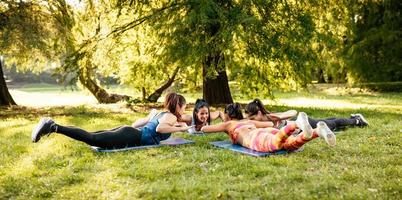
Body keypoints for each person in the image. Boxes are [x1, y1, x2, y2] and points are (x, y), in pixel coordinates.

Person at [31, 92, 193, 148]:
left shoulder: (160, 114)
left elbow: (135, 124)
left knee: (91, 135)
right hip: (132, 136)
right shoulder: (170, 116)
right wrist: (181, 129)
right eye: (184, 106)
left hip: (130, 131)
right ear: (178, 106)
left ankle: (53, 126)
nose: (184, 110)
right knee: (92, 138)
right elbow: (160, 129)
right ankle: (52, 126)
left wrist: (150, 118)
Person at [200, 103, 336, 153]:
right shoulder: (248, 121)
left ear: (228, 115)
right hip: (264, 131)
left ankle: (297, 124)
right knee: (287, 145)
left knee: (274, 145)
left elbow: (204, 129)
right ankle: (317, 131)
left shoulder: (229, 124)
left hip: (253, 137)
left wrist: (222, 122)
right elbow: (270, 125)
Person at [245, 98, 369, 130]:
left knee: (334, 123)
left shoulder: (270, 117)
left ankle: (358, 120)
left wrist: (281, 117)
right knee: (329, 119)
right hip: (303, 126)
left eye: (253, 116)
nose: (251, 120)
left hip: (306, 122)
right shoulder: (260, 123)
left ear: (259, 113)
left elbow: (293, 112)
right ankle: (352, 118)